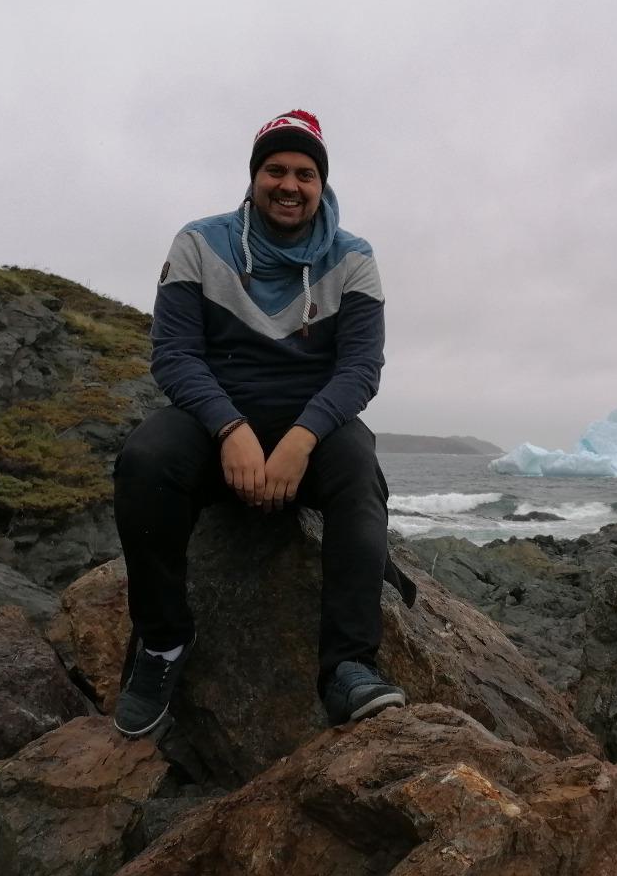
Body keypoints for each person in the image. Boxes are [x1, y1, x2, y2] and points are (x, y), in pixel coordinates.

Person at [111, 108, 412, 738]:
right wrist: (230, 429)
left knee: (358, 467)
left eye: (305, 173)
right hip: (214, 423)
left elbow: (360, 368)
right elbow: (174, 354)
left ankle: (349, 666)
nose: (289, 185)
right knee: (145, 459)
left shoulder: (354, 258)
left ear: (321, 184)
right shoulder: (199, 243)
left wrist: (302, 439)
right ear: (254, 177)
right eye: (276, 170)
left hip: (311, 429)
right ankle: (163, 641)